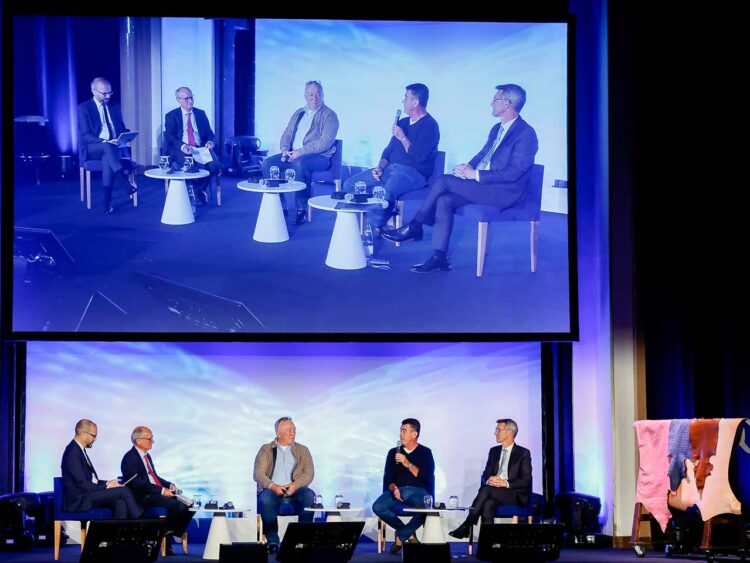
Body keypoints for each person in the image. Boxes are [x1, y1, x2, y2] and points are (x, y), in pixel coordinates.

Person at [381, 84, 538, 273]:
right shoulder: (497, 128)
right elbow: (484, 154)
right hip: (487, 186)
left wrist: (476, 175)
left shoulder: (526, 134)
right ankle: (439, 258)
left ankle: (415, 226)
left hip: (505, 192)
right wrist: (468, 167)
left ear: (507, 103)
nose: (491, 103)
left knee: (443, 181)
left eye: (495, 99)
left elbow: (515, 172)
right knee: (444, 200)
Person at [343, 83, 440, 231]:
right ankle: (383, 213)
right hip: (390, 169)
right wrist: (380, 167)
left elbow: (419, 156)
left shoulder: (430, 126)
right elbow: (388, 151)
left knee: (386, 192)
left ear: (415, 102)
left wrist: (403, 137)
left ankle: (373, 228)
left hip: (413, 173)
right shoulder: (402, 122)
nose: (403, 101)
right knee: (351, 185)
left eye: (406, 98)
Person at [261, 81, 339, 224]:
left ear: (323, 95)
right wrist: (284, 149)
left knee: (300, 162)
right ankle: (279, 205)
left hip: (319, 156)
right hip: (293, 153)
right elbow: (287, 133)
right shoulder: (299, 113)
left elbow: (324, 142)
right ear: (305, 96)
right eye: (311, 94)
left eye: (317, 94)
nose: (314, 97)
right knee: (268, 164)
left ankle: (302, 209)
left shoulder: (330, 115)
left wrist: (300, 152)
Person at [449, 418, 532, 539]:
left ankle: (467, 525)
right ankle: (488, 543)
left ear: (509, 432)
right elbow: (485, 475)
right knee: (488, 504)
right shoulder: (494, 451)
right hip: (494, 492)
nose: (495, 433)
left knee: (486, 490)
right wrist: (489, 480)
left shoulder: (523, 453)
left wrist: (505, 483)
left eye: (498, 429)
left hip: (514, 494)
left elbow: (526, 480)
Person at [121, 426, 194, 555]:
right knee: (176, 506)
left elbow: (154, 476)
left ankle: (170, 533)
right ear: (139, 441)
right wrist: (161, 491)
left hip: (155, 491)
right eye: (150, 439)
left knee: (190, 504)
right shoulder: (129, 458)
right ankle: (163, 536)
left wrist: (169, 485)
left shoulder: (146, 456)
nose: (153, 441)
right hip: (144, 496)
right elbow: (138, 483)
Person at [372, 418, 435, 554]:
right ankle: (408, 533)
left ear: (414, 434)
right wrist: (394, 488)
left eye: (404, 431)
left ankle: (400, 537)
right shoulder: (393, 453)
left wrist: (407, 463)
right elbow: (388, 478)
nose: (401, 434)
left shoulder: (425, 452)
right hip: (397, 491)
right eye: (400, 431)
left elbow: (426, 476)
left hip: (418, 491)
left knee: (426, 506)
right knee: (377, 506)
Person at [253, 417, 315, 553]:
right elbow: (258, 473)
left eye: (294, 430)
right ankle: (273, 541)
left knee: (309, 496)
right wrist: (273, 486)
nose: (293, 433)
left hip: (296, 489)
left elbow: (309, 473)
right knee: (265, 498)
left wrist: (295, 485)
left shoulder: (303, 450)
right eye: (289, 430)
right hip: (273, 490)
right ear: (278, 433)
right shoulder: (265, 449)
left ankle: (302, 541)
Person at [77, 77, 137, 214]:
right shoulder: (83, 108)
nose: (108, 96)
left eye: (110, 92)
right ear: (94, 91)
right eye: (104, 93)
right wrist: (105, 142)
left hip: (112, 148)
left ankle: (107, 203)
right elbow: (85, 135)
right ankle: (123, 181)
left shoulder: (114, 106)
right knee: (106, 147)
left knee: (107, 158)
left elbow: (121, 127)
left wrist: (127, 136)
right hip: (94, 147)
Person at [60, 419, 142, 519]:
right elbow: (82, 484)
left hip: (87, 494)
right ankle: (141, 523)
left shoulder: (79, 450)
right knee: (123, 491)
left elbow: (92, 480)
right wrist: (106, 487)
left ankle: (119, 534)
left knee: (120, 502)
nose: (95, 439)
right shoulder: (72, 452)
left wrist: (107, 483)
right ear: (84, 434)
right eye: (93, 436)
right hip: (79, 499)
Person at [162, 87, 221, 204]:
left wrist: (210, 142)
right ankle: (193, 192)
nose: (190, 101)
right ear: (178, 100)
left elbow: (209, 133)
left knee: (215, 166)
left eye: (191, 97)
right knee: (191, 167)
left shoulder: (200, 113)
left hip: (200, 148)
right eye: (186, 99)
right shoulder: (171, 116)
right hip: (181, 149)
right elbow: (169, 136)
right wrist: (182, 146)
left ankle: (197, 189)